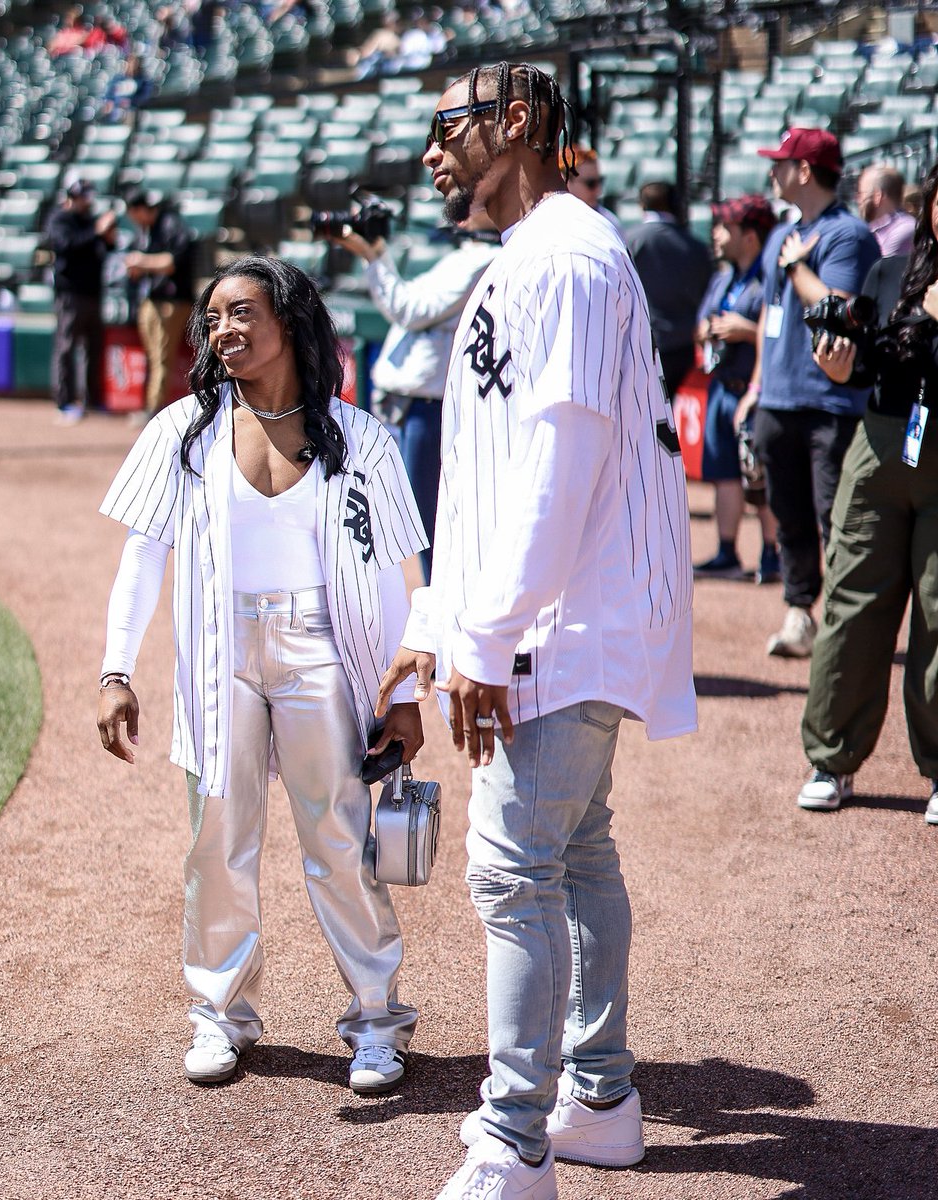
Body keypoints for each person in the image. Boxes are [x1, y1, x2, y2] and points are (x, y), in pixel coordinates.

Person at [380, 62, 696, 1200]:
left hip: (563, 618)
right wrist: (435, 623)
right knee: (577, 852)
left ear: (516, 124)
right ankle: (600, 1100)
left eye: (446, 129)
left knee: (514, 872)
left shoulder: (561, 254)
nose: (432, 153)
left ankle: (512, 1145)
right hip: (570, 612)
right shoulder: (538, 255)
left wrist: (486, 638)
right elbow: (491, 476)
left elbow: (560, 464)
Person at [96, 255, 428, 1095]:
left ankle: (376, 1021)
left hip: (323, 649)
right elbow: (142, 558)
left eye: (240, 312)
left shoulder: (361, 438)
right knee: (218, 842)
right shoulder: (183, 431)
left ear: (289, 318)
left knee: (340, 842)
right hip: (221, 657)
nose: (222, 331)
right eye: (212, 319)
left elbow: (401, 574)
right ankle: (220, 1016)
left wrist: (408, 698)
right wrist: (115, 670)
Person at [794, 161, 938, 819]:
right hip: (880, 449)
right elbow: (859, 370)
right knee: (853, 603)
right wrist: (839, 363)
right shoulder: (889, 274)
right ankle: (832, 759)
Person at [734, 128, 881, 658]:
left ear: (804, 170)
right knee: (788, 515)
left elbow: (839, 309)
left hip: (827, 400)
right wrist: (756, 387)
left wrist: (798, 267)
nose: (772, 171)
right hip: (778, 396)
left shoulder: (846, 235)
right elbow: (768, 318)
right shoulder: (782, 233)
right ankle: (800, 614)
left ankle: (849, 623)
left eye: (781, 162)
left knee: (836, 519)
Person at [328, 208, 498, 581]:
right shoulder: (464, 255)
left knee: (427, 518)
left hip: (429, 406)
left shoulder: (486, 259)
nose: (467, 212)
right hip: (411, 403)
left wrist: (375, 257)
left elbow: (411, 309)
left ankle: (441, 608)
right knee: (403, 517)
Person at [693, 195, 781, 582]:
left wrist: (745, 331)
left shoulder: (771, 276)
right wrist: (708, 330)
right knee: (725, 474)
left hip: (754, 389)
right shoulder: (722, 276)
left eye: (725, 227)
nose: (716, 234)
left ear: (749, 236)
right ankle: (727, 552)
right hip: (722, 387)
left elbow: (776, 330)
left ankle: (772, 553)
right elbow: (700, 324)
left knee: (759, 477)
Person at [626, 180, 715, 399]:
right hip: (683, 347)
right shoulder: (696, 246)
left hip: (643, 342)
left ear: (642, 205)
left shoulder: (629, 240)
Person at [121, 187, 196, 422]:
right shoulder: (147, 230)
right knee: (154, 359)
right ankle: (150, 407)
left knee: (162, 359)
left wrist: (141, 261)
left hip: (172, 302)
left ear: (140, 210)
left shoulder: (171, 224)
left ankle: (154, 410)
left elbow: (172, 262)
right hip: (153, 300)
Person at [47, 178, 116, 422]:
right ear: (72, 197)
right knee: (67, 347)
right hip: (70, 294)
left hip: (93, 292)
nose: (86, 202)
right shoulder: (60, 219)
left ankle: (92, 400)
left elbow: (104, 251)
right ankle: (64, 402)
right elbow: (66, 244)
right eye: (82, 197)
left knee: (93, 349)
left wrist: (107, 238)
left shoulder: (89, 221)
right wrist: (97, 231)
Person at [856, 164, 915, 258]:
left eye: (861, 193)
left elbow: (878, 268)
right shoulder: (873, 229)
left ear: (877, 196)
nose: (858, 200)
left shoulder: (904, 229)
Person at [561, 143, 622, 231]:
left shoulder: (608, 222)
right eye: (591, 183)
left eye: (600, 181)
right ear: (565, 181)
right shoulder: (546, 218)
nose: (599, 191)